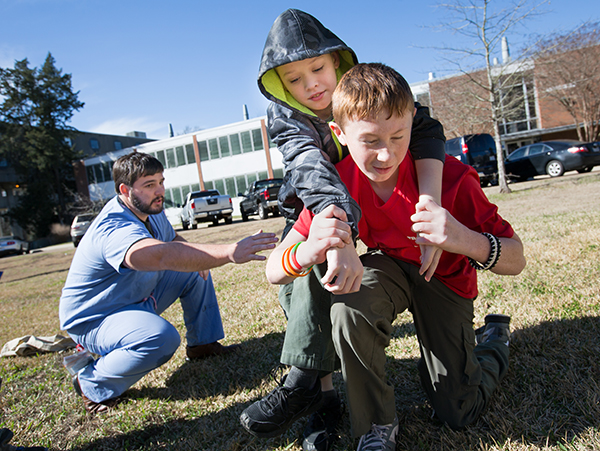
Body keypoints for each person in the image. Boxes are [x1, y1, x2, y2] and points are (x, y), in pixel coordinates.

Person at [261, 63, 526, 451]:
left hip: (447, 280)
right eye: (369, 140)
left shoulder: (451, 179)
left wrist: (463, 238)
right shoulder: (337, 182)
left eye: (398, 137)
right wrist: (306, 250)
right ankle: (376, 427)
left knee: (458, 410)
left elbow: (516, 259)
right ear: (340, 134)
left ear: (412, 125)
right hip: (390, 269)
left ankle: (494, 339)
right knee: (350, 300)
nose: (386, 155)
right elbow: (273, 271)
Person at [240, 9, 447, 449]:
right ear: (280, 86)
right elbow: (311, 168)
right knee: (297, 286)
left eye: (317, 69)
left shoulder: (370, 90)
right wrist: (337, 234)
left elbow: (426, 128)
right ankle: (319, 394)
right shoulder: (287, 116)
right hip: (318, 203)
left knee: (323, 276)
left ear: (337, 61)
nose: (311, 85)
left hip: (379, 199)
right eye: (294, 79)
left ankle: (304, 380)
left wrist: (429, 202)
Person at [59, 152, 278, 414]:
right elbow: (161, 254)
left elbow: (172, 240)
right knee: (160, 338)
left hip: (133, 299)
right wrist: (229, 252)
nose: (159, 191)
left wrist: (203, 260)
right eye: (149, 185)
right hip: (95, 317)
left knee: (197, 268)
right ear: (124, 190)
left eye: (161, 181)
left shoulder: (148, 209)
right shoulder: (114, 227)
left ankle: (202, 344)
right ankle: (91, 383)